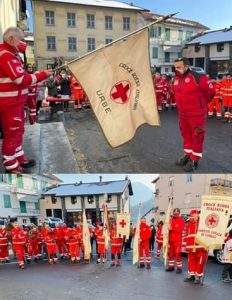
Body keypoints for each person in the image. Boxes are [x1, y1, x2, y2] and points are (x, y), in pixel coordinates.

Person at [0, 27, 52, 173]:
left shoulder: (12, 54)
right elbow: (20, 79)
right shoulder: (6, 55)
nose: (24, 43)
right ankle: (11, 164)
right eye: (21, 39)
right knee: (12, 132)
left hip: (15, 102)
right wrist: (41, 75)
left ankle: (18, 156)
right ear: (11, 39)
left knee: (18, 131)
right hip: (9, 103)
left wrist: (36, 76)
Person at [173, 58, 215, 172]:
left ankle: (194, 160)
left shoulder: (198, 77)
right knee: (186, 135)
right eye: (175, 67)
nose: (176, 69)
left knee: (197, 136)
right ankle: (188, 155)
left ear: (186, 66)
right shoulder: (176, 78)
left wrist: (201, 105)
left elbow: (211, 92)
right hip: (183, 114)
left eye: (179, 67)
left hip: (196, 114)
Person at [184, 210, 208, 284]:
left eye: (194, 215)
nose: (193, 217)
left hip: (200, 247)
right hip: (191, 247)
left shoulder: (203, 224)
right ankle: (192, 276)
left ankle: (198, 278)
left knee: (200, 263)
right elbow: (186, 235)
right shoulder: (188, 224)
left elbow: (207, 234)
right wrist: (186, 246)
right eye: (191, 216)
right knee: (191, 262)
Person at [166, 208, 185, 273]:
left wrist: (172, 228)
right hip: (171, 241)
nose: (175, 214)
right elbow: (167, 230)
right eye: (174, 213)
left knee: (177, 254)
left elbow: (180, 230)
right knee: (170, 254)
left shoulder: (181, 220)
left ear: (179, 213)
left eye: (177, 213)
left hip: (177, 241)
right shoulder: (170, 220)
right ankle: (171, 267)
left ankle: (179, 268)